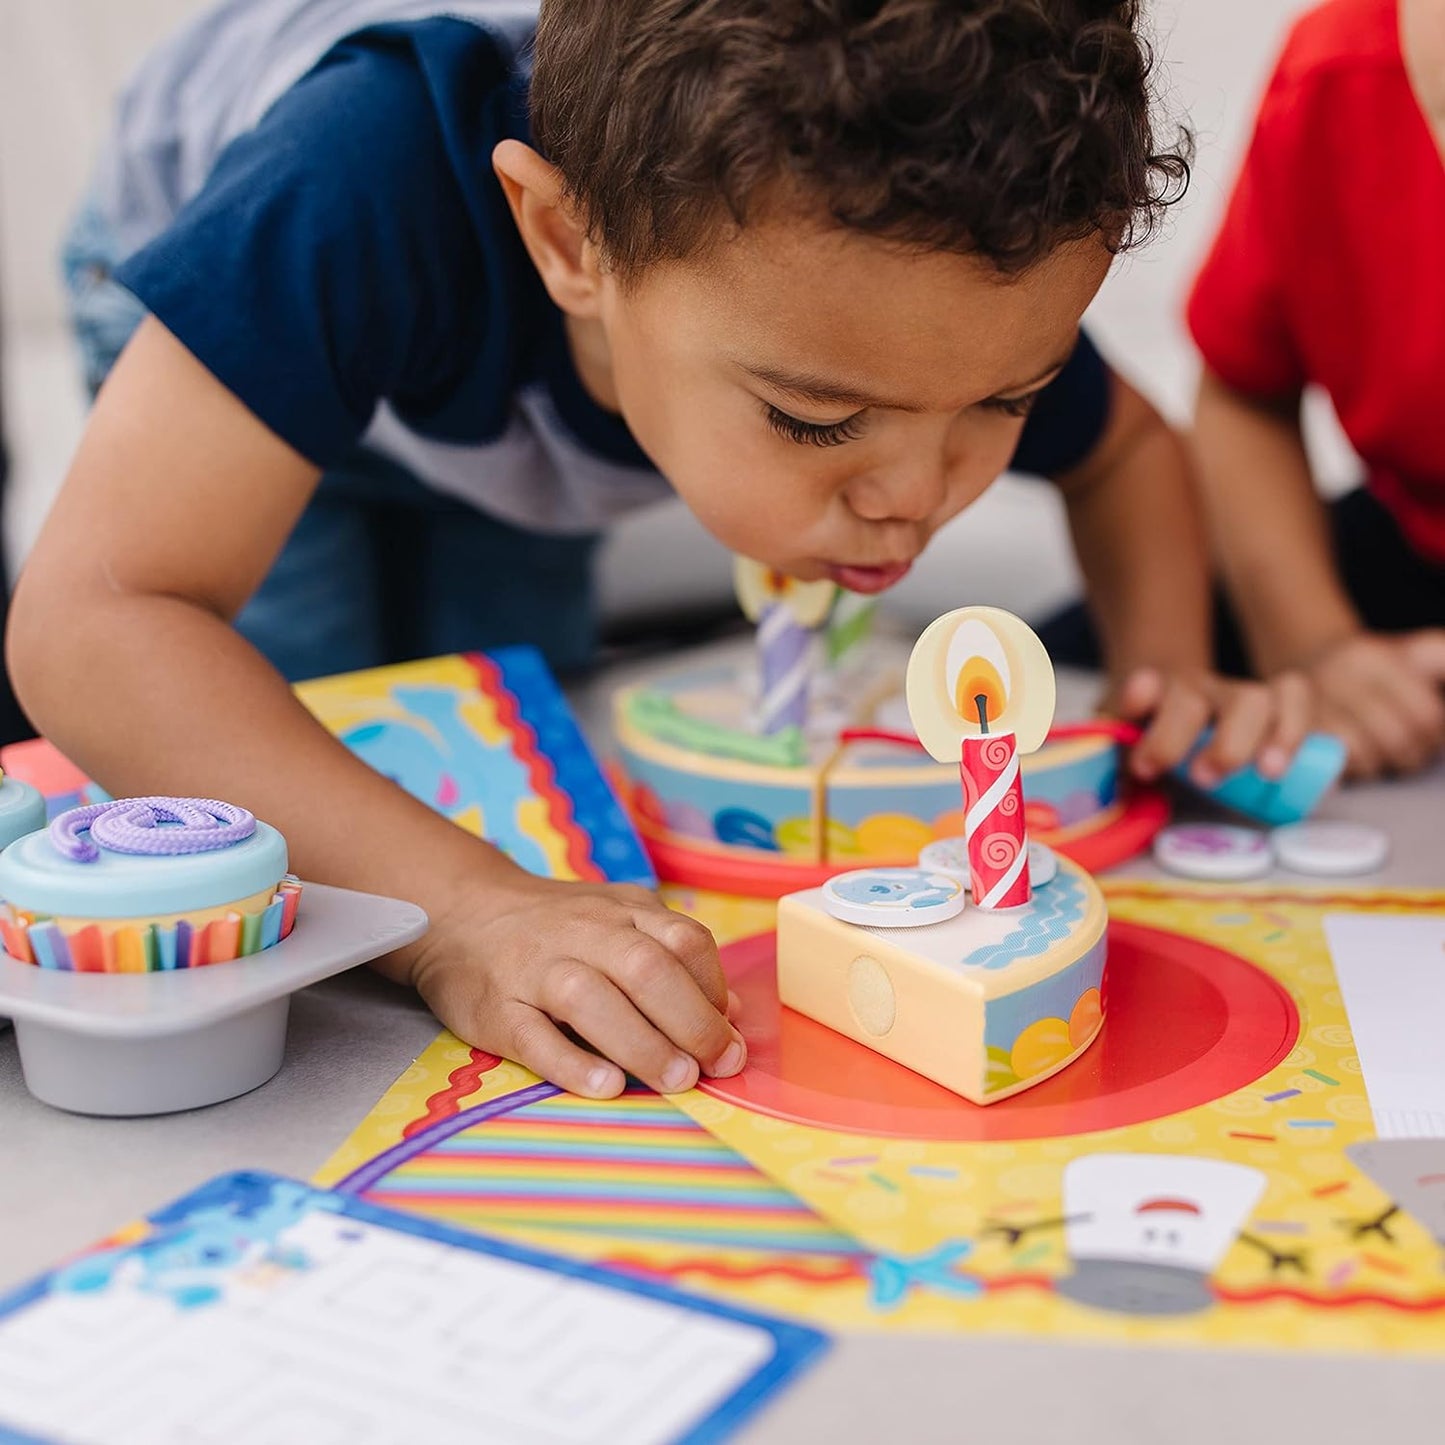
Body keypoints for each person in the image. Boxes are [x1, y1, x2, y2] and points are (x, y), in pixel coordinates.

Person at [8, 0, 1286, 1100]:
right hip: (231, 276)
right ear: (569, 244)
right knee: (309, 816)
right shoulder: (360, 181)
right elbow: (101, 619)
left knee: (504, 743)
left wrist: (1160, 671)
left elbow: (1125, 452)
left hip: (483, 380)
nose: (914, 492)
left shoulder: (930, 285)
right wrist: (463, 910)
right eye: (816, 417)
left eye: (1004, 402)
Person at [1188, 0, 1445, 779]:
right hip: (1413, 545)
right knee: (1089, 669)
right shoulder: (1335, 70)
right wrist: (1311, 643)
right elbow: (1241, 392)